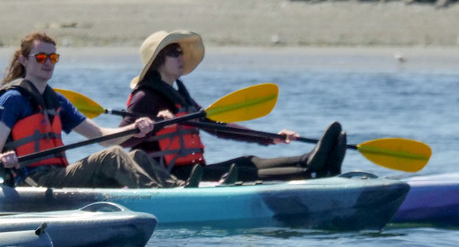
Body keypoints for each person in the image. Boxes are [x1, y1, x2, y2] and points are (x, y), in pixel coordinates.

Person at [125, 30, 346, 183]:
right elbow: (123, 139)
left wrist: (270, 137)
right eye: (174, 53)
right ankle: (312, 172)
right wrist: (153, 124)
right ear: (158, 61)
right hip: (168, 177)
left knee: (249, 161)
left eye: (181, 52)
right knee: (241, 171)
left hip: (191, 170)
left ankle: (310, 162)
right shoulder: (146, 96)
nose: (181, 57)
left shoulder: (180, 96)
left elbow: (220, 127)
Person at [0, 31, 185, 189]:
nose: (47, 63)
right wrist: (1, 158)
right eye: (41, 57)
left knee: (137, 155)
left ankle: (179, 189)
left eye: (52, 58)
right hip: (34, 182)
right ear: (24, 60)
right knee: (112, 156)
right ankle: (157, 195)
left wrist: (134, 128)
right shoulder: (13, 99)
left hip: (58, 176)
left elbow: (103, 137)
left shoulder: (57, 101)